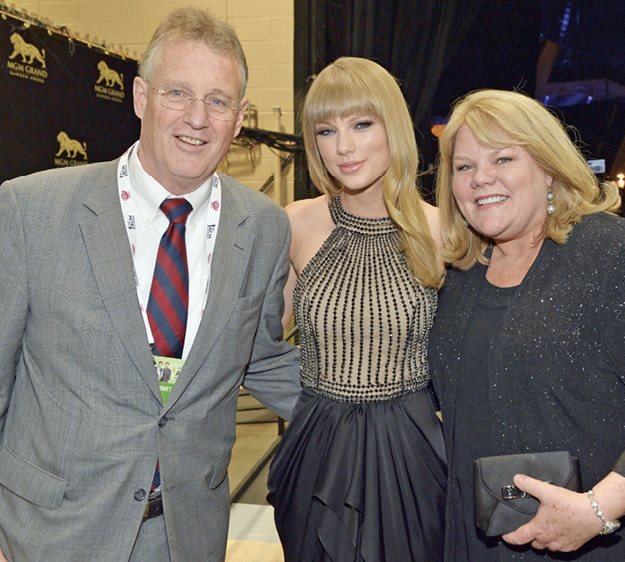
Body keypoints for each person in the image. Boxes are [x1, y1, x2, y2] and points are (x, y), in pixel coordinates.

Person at [0, 7, 300, 562]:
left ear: (239, 119)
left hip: (186, 534)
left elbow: (258, 356)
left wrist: (380, 412)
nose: (197, 118)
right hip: (52, 532)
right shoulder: (30, 210)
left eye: (218, 101)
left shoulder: (262, 227)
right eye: (177, 93)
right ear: (140, 97)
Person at [429, 89, 625, 561]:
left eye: (503, 158)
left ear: (548, 168)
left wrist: (596, 511)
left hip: (602, 543)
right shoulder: (463, 273)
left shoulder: (612, 253)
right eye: (464, 166)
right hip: (481, 541)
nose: (481, 178)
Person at [267, 57, 447, 561]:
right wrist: (308, 405)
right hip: (317, 453)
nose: (342, 147)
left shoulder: (443, 233)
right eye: (326, 130)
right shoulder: (296, 224)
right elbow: (256, 345)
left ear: (393, 126)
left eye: (361, 124)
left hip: (410, 454)